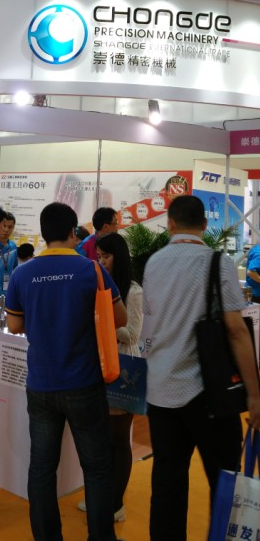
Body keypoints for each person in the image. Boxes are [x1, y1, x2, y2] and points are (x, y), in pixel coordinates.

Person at [5, 201, 127, 541]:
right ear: (73, 232)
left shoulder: (22, 273)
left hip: (41, 384)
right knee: (97, 467)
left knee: (42, 468)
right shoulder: (92, 271)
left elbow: (14, 325)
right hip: (84, 383)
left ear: (43, 234)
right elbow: (119, 318)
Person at [142, 195, 260, 541]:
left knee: (167, 484)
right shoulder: (218, 263)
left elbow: (151, 323)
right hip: (210, 396)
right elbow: (236, 331)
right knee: (223, 483)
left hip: (162, 393)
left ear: (170, 224)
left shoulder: (153, 263)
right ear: (205, 226)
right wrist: (254, 394)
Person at [78, 232, 143, 524]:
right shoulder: (96, 285)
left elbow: (132, 335)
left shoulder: (133, 291)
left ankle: (116, 504)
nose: (101, 261)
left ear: (119, 257)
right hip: (97, 368)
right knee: (100, 441)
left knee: (118, 439)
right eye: (98, 256)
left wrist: (101, 320)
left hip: (124, 369)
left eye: (106, 256)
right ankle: (102, 498)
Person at [0, 211, 18, 295]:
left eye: (10, 227)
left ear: (13, 227)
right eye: (4, 226)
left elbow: (15, 269)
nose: (6, 230)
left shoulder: (13, 246)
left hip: (8, 291)